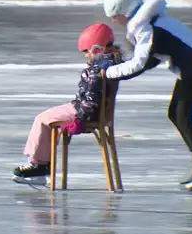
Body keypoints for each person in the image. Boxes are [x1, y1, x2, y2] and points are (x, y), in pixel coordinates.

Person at [102, 0, 192, 192]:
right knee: (176, 114)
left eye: (115, 15)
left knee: (182, 116)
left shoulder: (144, 26)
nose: (113, 21)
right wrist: (120, 71)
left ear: (126, 11)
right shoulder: (151, 20)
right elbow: (152, 58)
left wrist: (108, 74)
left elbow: (140, 63)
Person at [13, 23, 124, 185]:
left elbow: (91, 98)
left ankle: (39, 166)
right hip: (91, 110)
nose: (86, 56)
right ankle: (41, 163)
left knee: (43, 119)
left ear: (97, 49)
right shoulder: (113, 64)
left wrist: (81, 120)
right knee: (46, 116)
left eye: (87, 52)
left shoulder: (96, 71)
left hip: (84, 111)